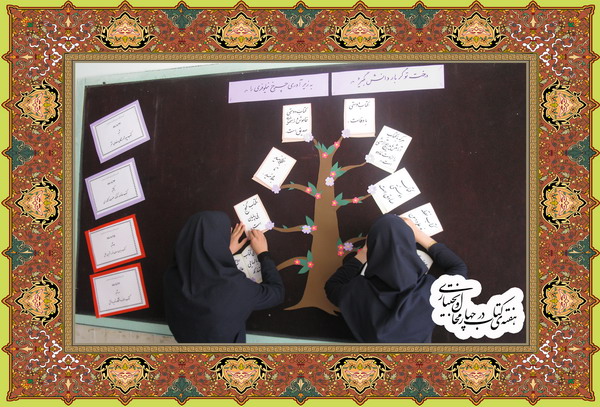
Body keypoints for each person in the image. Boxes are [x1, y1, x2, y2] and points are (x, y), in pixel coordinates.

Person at [325, 214, 467, 343]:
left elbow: (332, 285)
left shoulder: (356, 293)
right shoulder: (431, 293)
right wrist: (418, 234)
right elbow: (458, 267)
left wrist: (363, 254)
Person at [163, 211, 284, 343]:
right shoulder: (234, 287)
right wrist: (263, 254)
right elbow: (276, 293)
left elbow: (200, 272)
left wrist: (222, 253)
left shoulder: (171, 277)